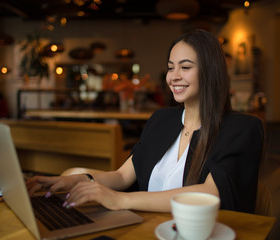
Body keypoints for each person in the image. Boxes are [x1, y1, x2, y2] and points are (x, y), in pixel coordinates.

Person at [27, 29, 264, 213]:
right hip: (144, 227)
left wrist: (121, 200)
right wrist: (77, 180)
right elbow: (122, 176)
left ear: (210, 71)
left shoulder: (241, 128)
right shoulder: (162, 119)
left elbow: (210, 193)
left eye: (186, 67)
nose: (174, 77)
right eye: (171, 68)